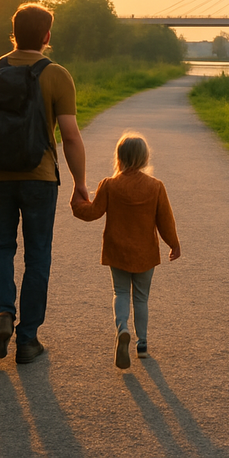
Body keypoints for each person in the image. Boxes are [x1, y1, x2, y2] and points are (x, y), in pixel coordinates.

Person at [0, 2, 88, 364]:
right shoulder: (57, 75)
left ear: (13, 33)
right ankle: (28, 339)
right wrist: (80, 183)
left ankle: (4, 313)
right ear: (47, 36)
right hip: (40, 178)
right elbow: (70, 136)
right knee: (37, 256)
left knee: (1, 247)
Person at [71, 132, 181, 369]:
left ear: (119, 157)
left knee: (120, 292)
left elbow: (92, 212)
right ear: (144, 158)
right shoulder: (156, 187)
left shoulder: (109, 185)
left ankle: (122, 329)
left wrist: (77, 203)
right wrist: (174, 243)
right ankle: (142, 344)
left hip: (117, 251)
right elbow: (165, 221)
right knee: (141, 298)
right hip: (145, 253)